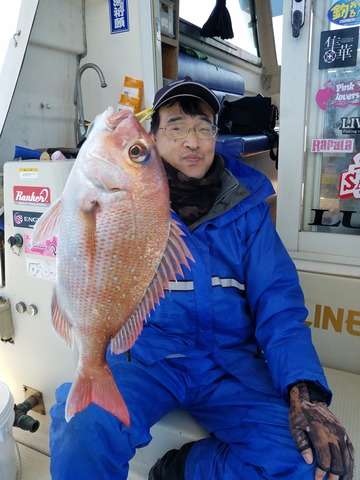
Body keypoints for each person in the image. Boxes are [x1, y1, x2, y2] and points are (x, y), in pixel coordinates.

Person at [50, 77, 354, 480]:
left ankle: (184, 468)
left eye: (203, 127)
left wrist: (305, 390)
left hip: (228, 365)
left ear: (215, 135)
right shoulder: (120, 203)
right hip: (146, 359)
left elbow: (279, 306)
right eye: (176, 127)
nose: (191, 141)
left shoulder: (249, 209)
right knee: (80, 431)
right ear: (154, 138)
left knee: (308, 463)